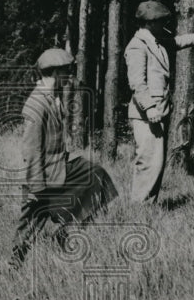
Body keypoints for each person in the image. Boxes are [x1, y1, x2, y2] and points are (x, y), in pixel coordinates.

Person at [10, 48, 117, 268]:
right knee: (30, 223)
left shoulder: (53, 96)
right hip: (42, 174)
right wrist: (36, 188)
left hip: (58, 166)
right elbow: (30, 150)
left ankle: (65, 231)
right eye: (67, 71)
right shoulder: (36, 104)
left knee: (97, 175)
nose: (70, 75)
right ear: (56, 72)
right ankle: (14, 263)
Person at [125, 0, 194, 203]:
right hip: (146, 114)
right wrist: (150, 107)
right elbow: (137, 83)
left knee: (157, 161)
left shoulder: (156, 40)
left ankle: (147, 204)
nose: (164, 25)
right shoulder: (137, 46)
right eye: (161, 21)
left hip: (158, 112)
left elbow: (179, 41)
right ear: (149, 23)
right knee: (148, 161)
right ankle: (138, 208)